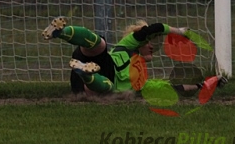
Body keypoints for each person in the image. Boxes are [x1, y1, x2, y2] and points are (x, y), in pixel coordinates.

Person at [41, 16, 209, 95]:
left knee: (107, 87)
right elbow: (154, 29)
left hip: (85, 88)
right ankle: (60, 32)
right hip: (101, 63)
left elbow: (172, 88)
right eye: (149, 43)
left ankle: (86, 73)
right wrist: (180, 31)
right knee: (101, 44)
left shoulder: (142, 79)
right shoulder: (127, 46)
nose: (152, 46)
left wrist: (201, 85)